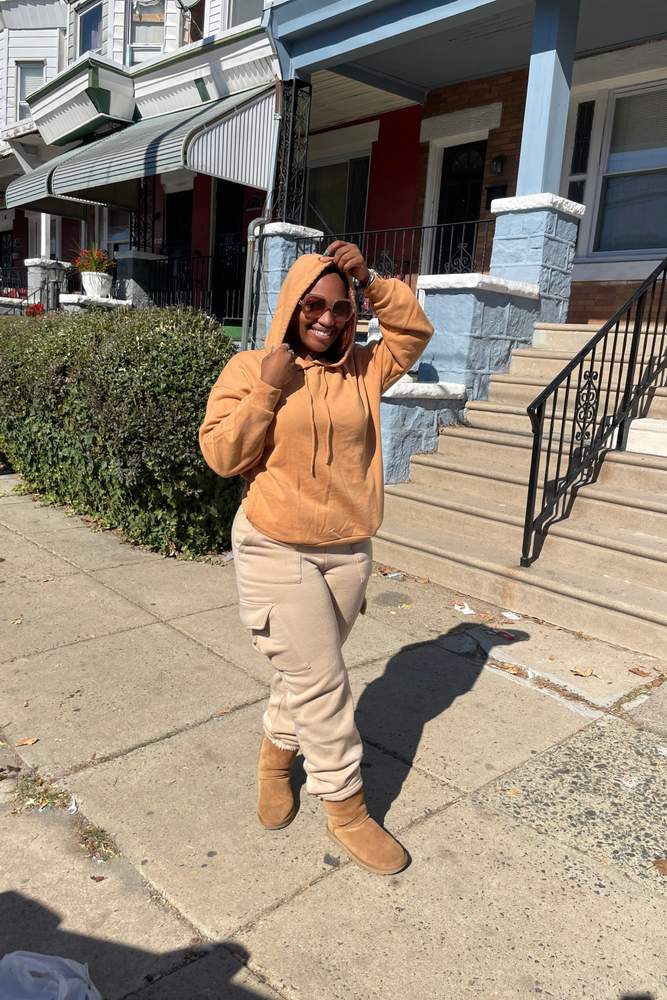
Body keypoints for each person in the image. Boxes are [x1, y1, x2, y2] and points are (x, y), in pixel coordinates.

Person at [199, 241, 433, 875]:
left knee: (304, 673)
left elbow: (413, 332)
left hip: (349, 552)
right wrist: (268, 391)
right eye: (314, 305)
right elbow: (222, 456)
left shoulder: (365, 369)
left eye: (340, 306)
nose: (328, 317)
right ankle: (347, 808)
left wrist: (372, 280)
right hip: (274, 545)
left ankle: (276, 759)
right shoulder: (251, 367)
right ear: (292, 306)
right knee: (323, 682)